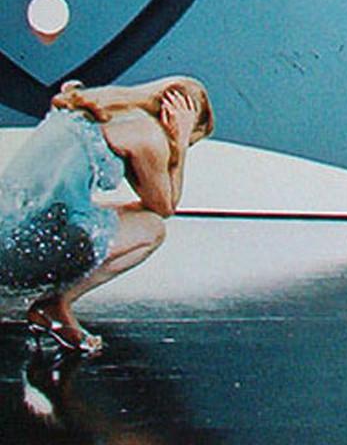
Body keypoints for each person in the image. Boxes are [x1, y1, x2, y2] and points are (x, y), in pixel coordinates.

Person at [0, 76, 213, 355]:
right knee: (152, 228)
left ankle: (49, 306)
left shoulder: (84, 104)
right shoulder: (147, 135)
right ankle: (54, 305)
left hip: (7, 227)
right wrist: (180, 143)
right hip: (19, 250)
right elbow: (164, 207)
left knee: (113, 212)